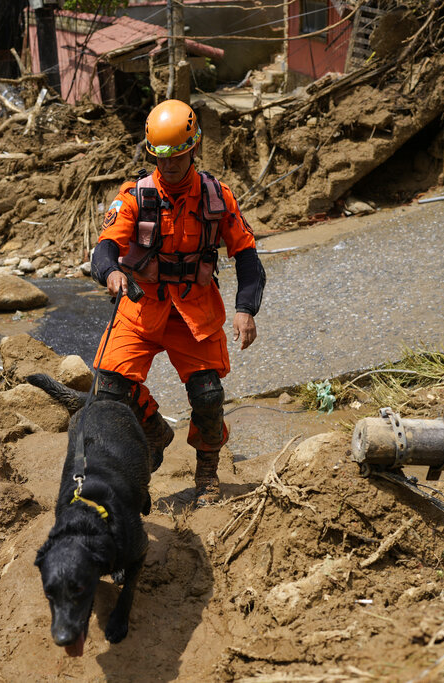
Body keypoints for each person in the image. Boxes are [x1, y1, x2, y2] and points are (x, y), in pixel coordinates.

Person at [89, 99, 266, 506]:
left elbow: (248, 256)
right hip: (141, 306)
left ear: (194, 149)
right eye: (160, 159)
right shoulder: (134, 196)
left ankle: (206, 474)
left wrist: (245, 309)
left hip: (194, 311)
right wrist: (111, 272)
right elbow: (105, 247)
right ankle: (153, 430)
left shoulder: (217, 197)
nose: (168, 167)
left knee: (208, 395)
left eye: (177, 158)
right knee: (109, 387)